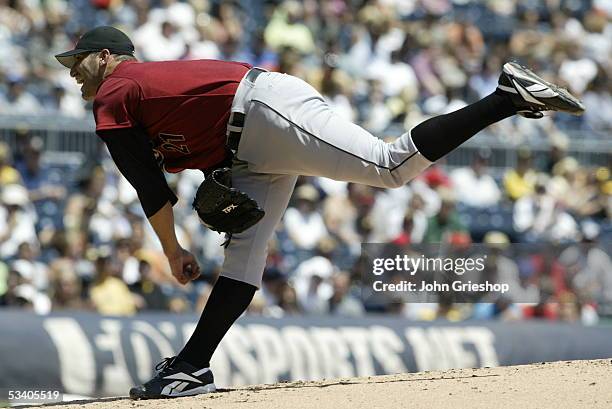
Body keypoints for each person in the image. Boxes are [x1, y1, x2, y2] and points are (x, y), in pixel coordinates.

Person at [54, 26, 584, 399]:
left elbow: (146, 184)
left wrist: (172, 250)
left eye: (77, 61)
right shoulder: (139, 94)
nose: (73, 73)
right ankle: (191, 367)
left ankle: (505, 97)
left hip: (263, 110)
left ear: (105, 57)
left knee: (388, 166)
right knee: (244, 256)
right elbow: (173, 158)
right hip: (247, 146)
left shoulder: (117, 88)